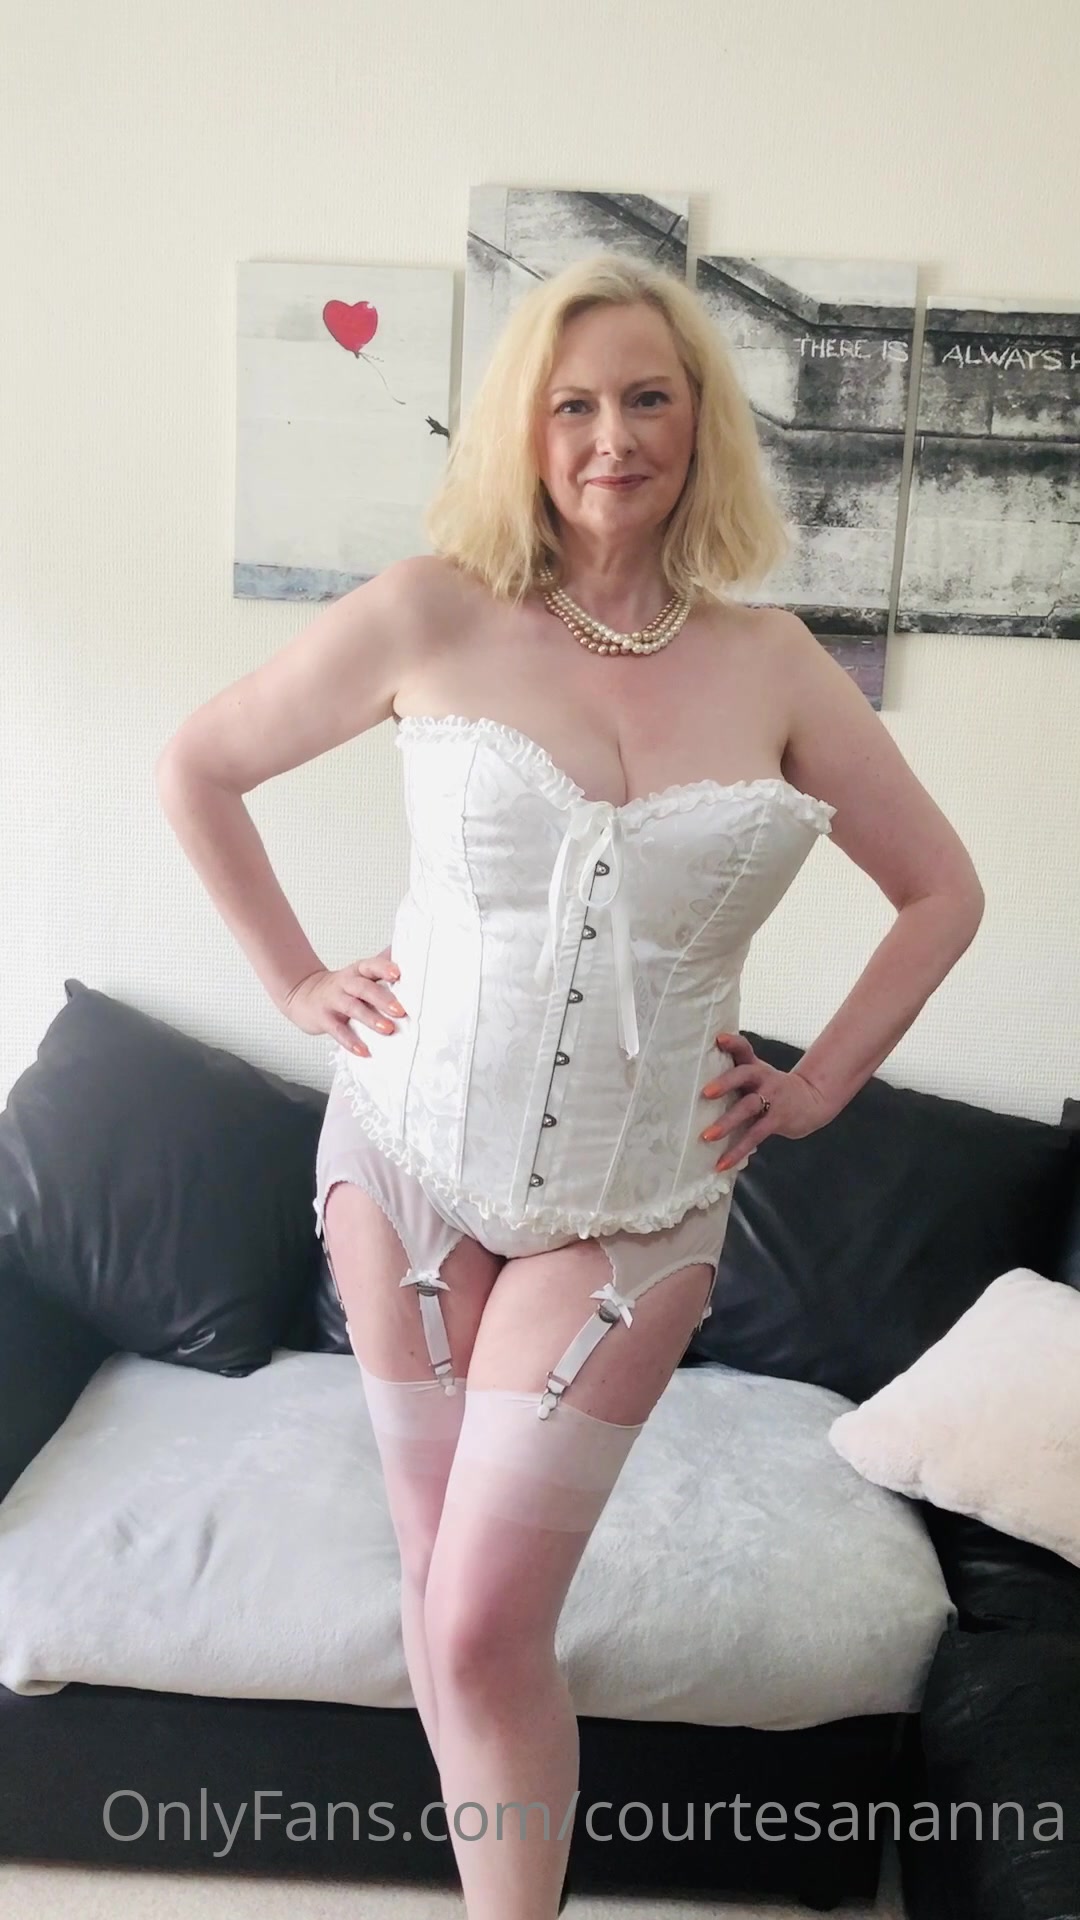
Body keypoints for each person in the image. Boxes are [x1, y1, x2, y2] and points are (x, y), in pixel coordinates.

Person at [156, 250, 984, 1919]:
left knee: (483, 1618)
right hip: (404, 1152)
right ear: (525, 430)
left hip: (638, 1203)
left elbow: (942, 892)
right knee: (432, 1578)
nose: (614, 438)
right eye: (575, 404)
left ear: (700, 422)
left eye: (649, 399)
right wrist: (297, 980)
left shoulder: (777, 663)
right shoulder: (431, 611)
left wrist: (821, 1084)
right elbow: (200, 763)